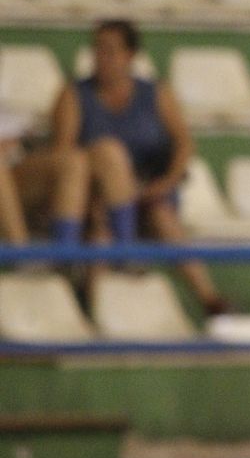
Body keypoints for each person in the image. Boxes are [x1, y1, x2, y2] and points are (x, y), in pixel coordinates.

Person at [46, 19, 229, 315]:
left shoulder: (156, 93)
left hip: (148, 189)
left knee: (163, 217)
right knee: (101, 231)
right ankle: (95, 312)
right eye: (97, 49)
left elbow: (184, 143)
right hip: (98, 194)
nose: (101, 57)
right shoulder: (74, 95)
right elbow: (65, 156)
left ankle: (210, 300)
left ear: (130, 55)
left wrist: (166, 182)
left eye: (110, 50)